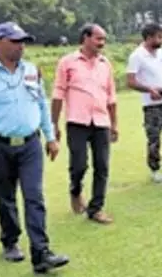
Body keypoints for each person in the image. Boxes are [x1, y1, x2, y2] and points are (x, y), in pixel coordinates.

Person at [0, 21, 69, 274]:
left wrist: (50, 137)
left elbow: (41, 105)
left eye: (23, 41)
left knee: (34, 196)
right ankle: (10, 241)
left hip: (30, 144)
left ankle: (41, 253)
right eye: (15, 41)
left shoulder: (32, 71)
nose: (20, 46)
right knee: (5, 196)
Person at [51, 23, 118, 224]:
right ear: (86, 38)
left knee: (102, 166)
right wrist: (53, 125)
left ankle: (96, 208)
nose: (102, 43)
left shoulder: (105, 64)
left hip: (101, 121)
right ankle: (75, 189)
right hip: (77, 121)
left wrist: (114, 124)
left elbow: (111, 97)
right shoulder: (67, 62)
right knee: (79, 165)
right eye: (98, 39)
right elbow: (58, 94)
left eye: (103, 39)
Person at [126, 22, 162, 183]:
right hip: (152, 105)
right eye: (159, 37)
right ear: (149, 37)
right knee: (154, 138)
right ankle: (155, 169)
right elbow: (130, 81)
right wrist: (149, 89)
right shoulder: (137, 56)